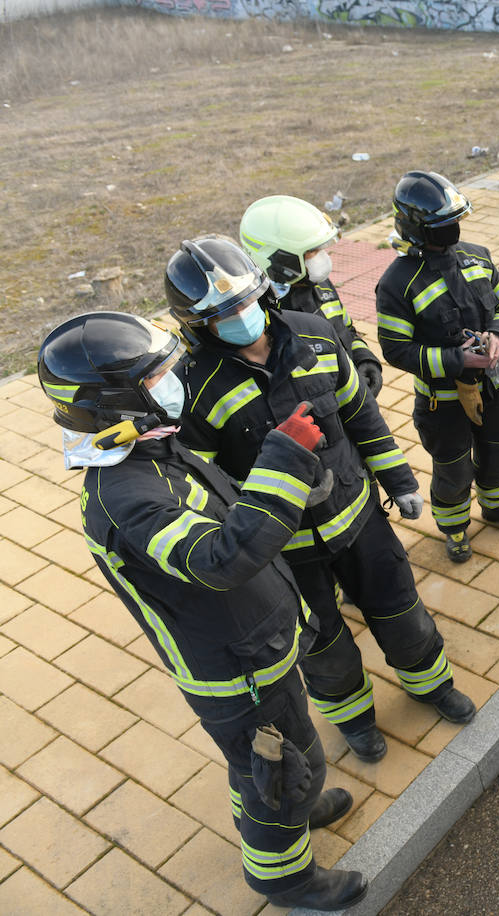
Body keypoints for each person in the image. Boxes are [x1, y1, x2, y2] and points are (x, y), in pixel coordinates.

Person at [38, 311, 366, 910]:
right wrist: (286, 458)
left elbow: (228, 511)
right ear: (113, 404)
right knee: (278, 772)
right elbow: (222, 558)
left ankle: (291, 804)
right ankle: (284, 876)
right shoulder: (126, 500)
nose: (173, 381)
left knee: (267, 766)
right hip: (236, 675)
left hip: (256, 648)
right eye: (155, 376)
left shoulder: (148, 449)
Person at [166, 235, 475, 767]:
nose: (240, 318)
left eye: (245, 302)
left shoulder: (316, 334)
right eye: (222, 315)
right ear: (197, 325)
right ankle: (355, 721)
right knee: (320, 644)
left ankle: (431, 684)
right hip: (285, 552)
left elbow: (361, 415)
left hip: (359, 519)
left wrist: (399, 480)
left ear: (263, 293)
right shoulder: (195, 388)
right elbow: (209, 486)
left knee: (401, 609)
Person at [374, 170, 499, 564]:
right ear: (416, 227)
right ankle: (454, 527)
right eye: (442, 224)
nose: (453, 229)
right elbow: (396, 350)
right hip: (442, 402)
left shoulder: (477, 256)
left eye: (455, 220)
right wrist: (457, 360)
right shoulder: (396, 283)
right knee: (453, 468)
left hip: (493, 388)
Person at [239, 194, 386, 397]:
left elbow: (346, 328)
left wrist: (363, 359)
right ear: (281, 260)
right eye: (313, 251)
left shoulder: (319, 284)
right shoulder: (261, 316)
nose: (322, 257)